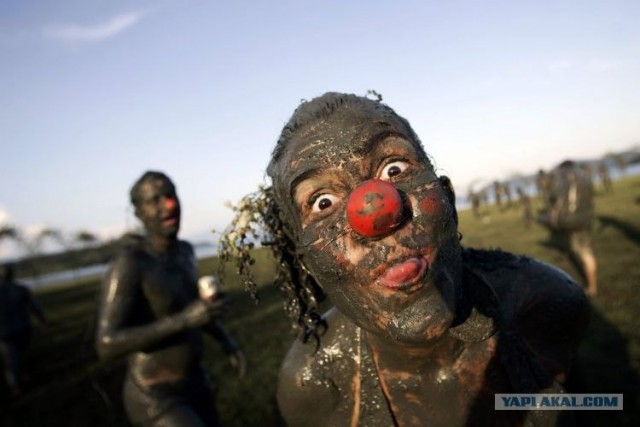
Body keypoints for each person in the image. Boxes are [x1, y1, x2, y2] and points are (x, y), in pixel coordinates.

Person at [223, 93, 590, 426]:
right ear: (308, 264)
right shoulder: (315, 387)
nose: (374, 212)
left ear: (447, 198)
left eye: (393, 169)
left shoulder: (547, 306)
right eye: (323, 203)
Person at [95, 171, 246, 427]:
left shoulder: (185, 252)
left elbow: (193, 309)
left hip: (194, 380)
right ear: (139, 212)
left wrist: (226, 341)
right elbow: (106, 345)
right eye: (155, 200)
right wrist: (184, 321)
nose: (169, 205)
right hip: (154, 394)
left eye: (170, 195)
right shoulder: (130, 263)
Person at [536, 160, 598, 296]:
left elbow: (554, 197)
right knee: (586, 252)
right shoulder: (585, 176)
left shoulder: (559, 176)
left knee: (582, 251)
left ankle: (592, 288)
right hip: (584, 220)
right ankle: (592, 285)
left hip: (566, 220)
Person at [0, 263, 47, 398]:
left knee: (11, 359)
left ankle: (16, 386)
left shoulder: (21, 290)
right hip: (22, 328)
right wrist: (43, 320)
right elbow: (35, 307)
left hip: (5, 332)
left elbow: (33, 306)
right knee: (20, 356)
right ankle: (21, 380)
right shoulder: (21, 289)